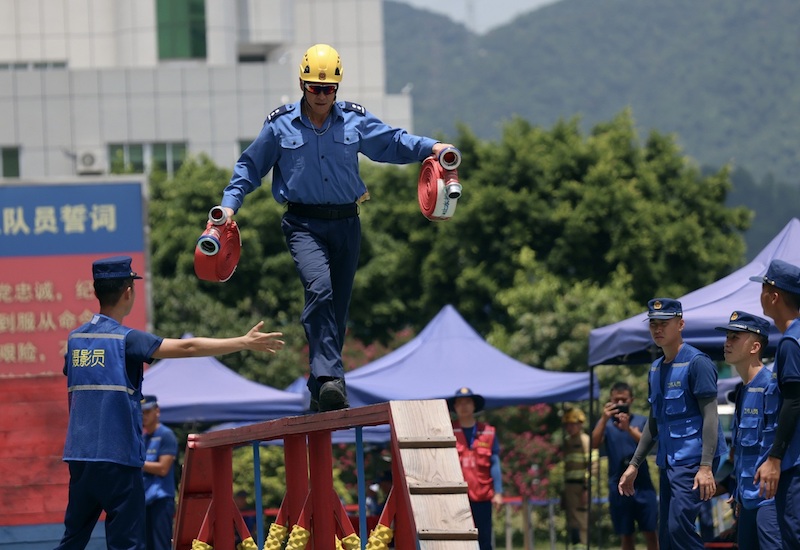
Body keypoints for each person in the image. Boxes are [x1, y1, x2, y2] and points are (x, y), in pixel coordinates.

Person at [218, 43, 456, 412]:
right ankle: (331, 377)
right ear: (302, 83)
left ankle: (320, 384)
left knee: (338, 309)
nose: (322, 95)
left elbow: (391, 142)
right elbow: (249, 167)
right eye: (315, 87)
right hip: (303, 223)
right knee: (320, 290)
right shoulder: (279, 124)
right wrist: (229, 207)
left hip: (347, 222)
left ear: (338, 88)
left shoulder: (353, 120)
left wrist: (432, 147)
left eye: (329, 89)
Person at [55, 256, 284, 550]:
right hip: (119, 458)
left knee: (72, 540)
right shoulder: (127, 340)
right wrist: (243, 341)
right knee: (127, 544)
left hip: (80, 457)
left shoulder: (75, 341)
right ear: (129, 292)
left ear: (95, 291)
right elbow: (187, 346)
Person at [618, 298, 728, 550]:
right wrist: (634, 465)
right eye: (653, 324)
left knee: (679, 527)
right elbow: (653, 422)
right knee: (666, 535)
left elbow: (711, 416)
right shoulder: (655, 368)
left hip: (693, 461)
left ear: (680, 324)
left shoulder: (697, 362)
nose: (657, 329)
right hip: (669, 462)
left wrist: (706, 467)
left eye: (664, 323)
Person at [714, 310, 782, 549]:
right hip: (747, 499)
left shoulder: (771, 387)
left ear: (754, 347)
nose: (727, 342)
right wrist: (740, 491)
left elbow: (776, 446)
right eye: (727, 337)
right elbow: (744, 452)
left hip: (770, 500)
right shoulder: (742, 390)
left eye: (735, 337)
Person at [750, 259, 800, 546]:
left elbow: (794, 401)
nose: (761, 296)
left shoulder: (791, 343)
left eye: (763, 289)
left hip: (794, 462)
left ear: (774, 296)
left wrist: (774, 458)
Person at [590, 382, 658, 550]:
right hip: (618, 487)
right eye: (616, 400)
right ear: (610, 400)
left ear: (631, 400)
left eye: (624, 400)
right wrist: (603, 419)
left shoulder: (641, 420)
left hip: (643, 485)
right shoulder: (605, 424)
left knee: (651, 533)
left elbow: (648, 443)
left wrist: (628, 429)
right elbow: (594, 443)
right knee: (626, 536)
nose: (620, 404)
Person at [448, 387, 503, 550]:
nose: (463, 406)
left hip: (482, 495)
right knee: (457, 539)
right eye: (459, 403)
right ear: (455, 407)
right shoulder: (447, 430)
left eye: (467, 402)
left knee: (484, 539)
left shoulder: (488, 432)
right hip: (456, 496)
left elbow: (495, 462)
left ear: (474, 406)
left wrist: (498, 492)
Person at [141, 395, 178, 550]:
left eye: (147, 411)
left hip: (161, 501)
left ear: (157, 411)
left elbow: (163, 468)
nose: (144, 416)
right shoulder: (143, 438)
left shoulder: (166, 435)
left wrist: (136, 463)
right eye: (141, 412)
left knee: (160, 546)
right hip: (145, 500)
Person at [562, 407, 598, 550]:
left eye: (572, 424)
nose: (569, 428)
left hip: (581, 487)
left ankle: (583, 546)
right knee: (572, 520)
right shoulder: (568, 441)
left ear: (580, 424)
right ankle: (576, 545)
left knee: (581, 519)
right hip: (570, 486)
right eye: (567, 424)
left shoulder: (585, 440)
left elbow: (593, 465)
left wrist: (586, 488)